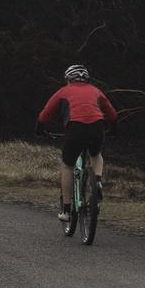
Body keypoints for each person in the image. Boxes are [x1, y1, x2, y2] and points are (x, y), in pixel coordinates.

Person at [36, 64, 117, 227]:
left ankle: (66, 210)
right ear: (86, 79)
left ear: (68, 79)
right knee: (96, 154)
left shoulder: (64, 91)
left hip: (75, 128)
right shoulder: (96, 91)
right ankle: (98, 181)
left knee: (67, 166)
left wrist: (40, 129)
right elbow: (112, 114)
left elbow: (45, 113)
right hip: (97, 127)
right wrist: (113, 128)